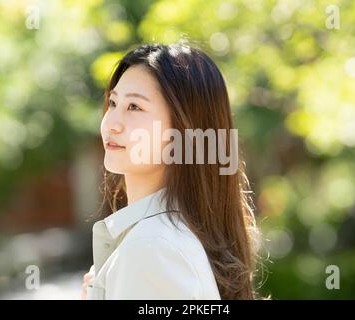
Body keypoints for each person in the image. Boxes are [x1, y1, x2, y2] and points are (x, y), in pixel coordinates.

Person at [81, 42, 261, 300]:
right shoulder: (172, 237)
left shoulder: (151, 249)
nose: (111, 123)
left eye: (134, 107)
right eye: (113, 102)